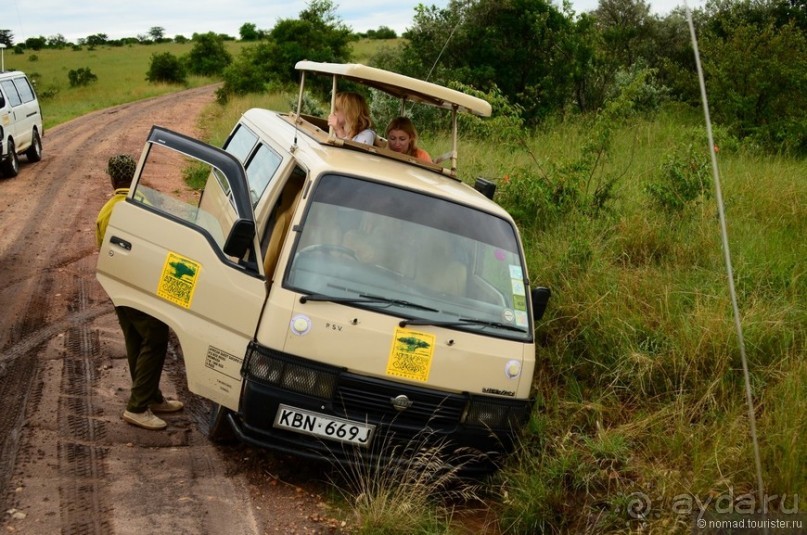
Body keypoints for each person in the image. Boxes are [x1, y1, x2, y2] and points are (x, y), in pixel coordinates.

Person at [96, 154, 184, 431]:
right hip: (142, 286)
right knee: (156, 336)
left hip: (116, 284)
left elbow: (103, 249)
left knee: (136, 338)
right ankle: (137, 406)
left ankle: (151, 397)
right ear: (135, 177)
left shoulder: (106, 210)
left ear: (112, 179)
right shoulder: (143, 204)